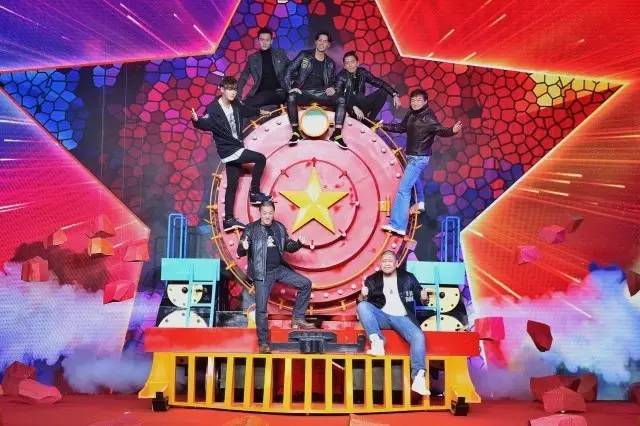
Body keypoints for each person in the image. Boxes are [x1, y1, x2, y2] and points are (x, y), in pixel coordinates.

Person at [191, 76, 272, 232]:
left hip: (236, 145)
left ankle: (228, 219)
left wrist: (259, 111)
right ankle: (254, 193)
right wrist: (196, 120)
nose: (232, 92)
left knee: (232, 185)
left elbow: (245, 110)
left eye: (234, 89)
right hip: (229, 149)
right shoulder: (214, 108)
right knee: (260, 159)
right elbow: (205, 122)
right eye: (229, 89)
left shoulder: (235, 103)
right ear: (222, 90)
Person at [381, 89, 462, 235]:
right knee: (413, 180)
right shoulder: (411, 113)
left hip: (419, 158)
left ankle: (398, 226)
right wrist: (383, 126)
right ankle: (420, 202)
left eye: (419, 100)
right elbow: (400, 127)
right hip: (411, 156)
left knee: (403, 190)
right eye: (413, 100)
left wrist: (452, 130)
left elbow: (441, 130)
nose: (415, 103)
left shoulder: (428, 117)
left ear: (425, 102)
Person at [237, 201, 315, 354]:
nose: (267, 216)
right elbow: (240, 251)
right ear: (260, 213)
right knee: (261, 309)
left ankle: (298, 317)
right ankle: (263, 343)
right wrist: (243, 247)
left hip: (278, 270)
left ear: (273, 213)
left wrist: (298, 243)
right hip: (261, 273)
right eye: (264, 213)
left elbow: (288, 246)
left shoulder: (279, 227)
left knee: (305, 284)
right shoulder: (251, 229)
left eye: (270, 213)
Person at [357, 250, 431, 396]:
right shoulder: (372, 280)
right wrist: (362, 296)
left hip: (402, 317)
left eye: (390, 261)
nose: (387, 264)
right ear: (380, 264)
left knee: (418, 337)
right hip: (382, 316)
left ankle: (418, 378)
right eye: (384, 261)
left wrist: (424, 297)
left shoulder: (408, 278)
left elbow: (421, 299)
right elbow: (362, 304)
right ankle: (377, 343)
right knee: (362, 306)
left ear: (397, 263)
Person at [284, 32, 348, 150]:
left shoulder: (330, 63)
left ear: (328, 45)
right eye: (320, 40)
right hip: (303, 92)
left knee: (341, 100)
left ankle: (337, 134)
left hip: (321, 94)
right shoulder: (304, 55)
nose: (322, 43)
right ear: (315, 42)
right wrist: (290, 88)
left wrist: (332, 88)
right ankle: (295, 132)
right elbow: (289, 70)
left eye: (325, 41)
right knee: (291, 96)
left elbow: (331, 82)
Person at [334, 51, 401, 121]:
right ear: (344, 66)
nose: (350, 65)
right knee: (358, 96)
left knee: (383, 92)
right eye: (347, 63)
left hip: (362, 104)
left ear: (357, 63)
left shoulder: (362, 73)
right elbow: (338, 96)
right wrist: (353, 107)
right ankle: (359, 117)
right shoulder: (341, 77)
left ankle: (370, 120)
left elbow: (378, 82)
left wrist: (394, 94)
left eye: (352, 62)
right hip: (349, 108)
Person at [237, 27, 290, 115]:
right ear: (258, 40)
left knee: (247, 105)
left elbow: (291, 68)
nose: (264, 43)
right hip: (259, 94)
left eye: (267, 40)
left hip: (278, 92)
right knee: (241, 107)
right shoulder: (253, 58)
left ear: (271, 41)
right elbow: (243, 78)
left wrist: (294, 86)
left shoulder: (280, 54)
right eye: (262, 40)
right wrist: (237, 96)